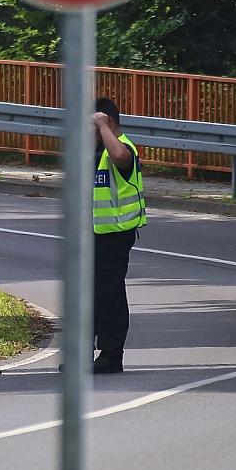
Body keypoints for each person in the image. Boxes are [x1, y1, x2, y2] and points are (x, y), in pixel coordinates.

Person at [90, 97, 146, 373]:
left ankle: (112, 355)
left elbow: (121, 158)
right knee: (88, 294)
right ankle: (83, 352)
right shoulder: (99, 152)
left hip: (114, 235)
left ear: (108, 122)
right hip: (94, 235)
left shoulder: (122, 150)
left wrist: (102, 126)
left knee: (108, 295)